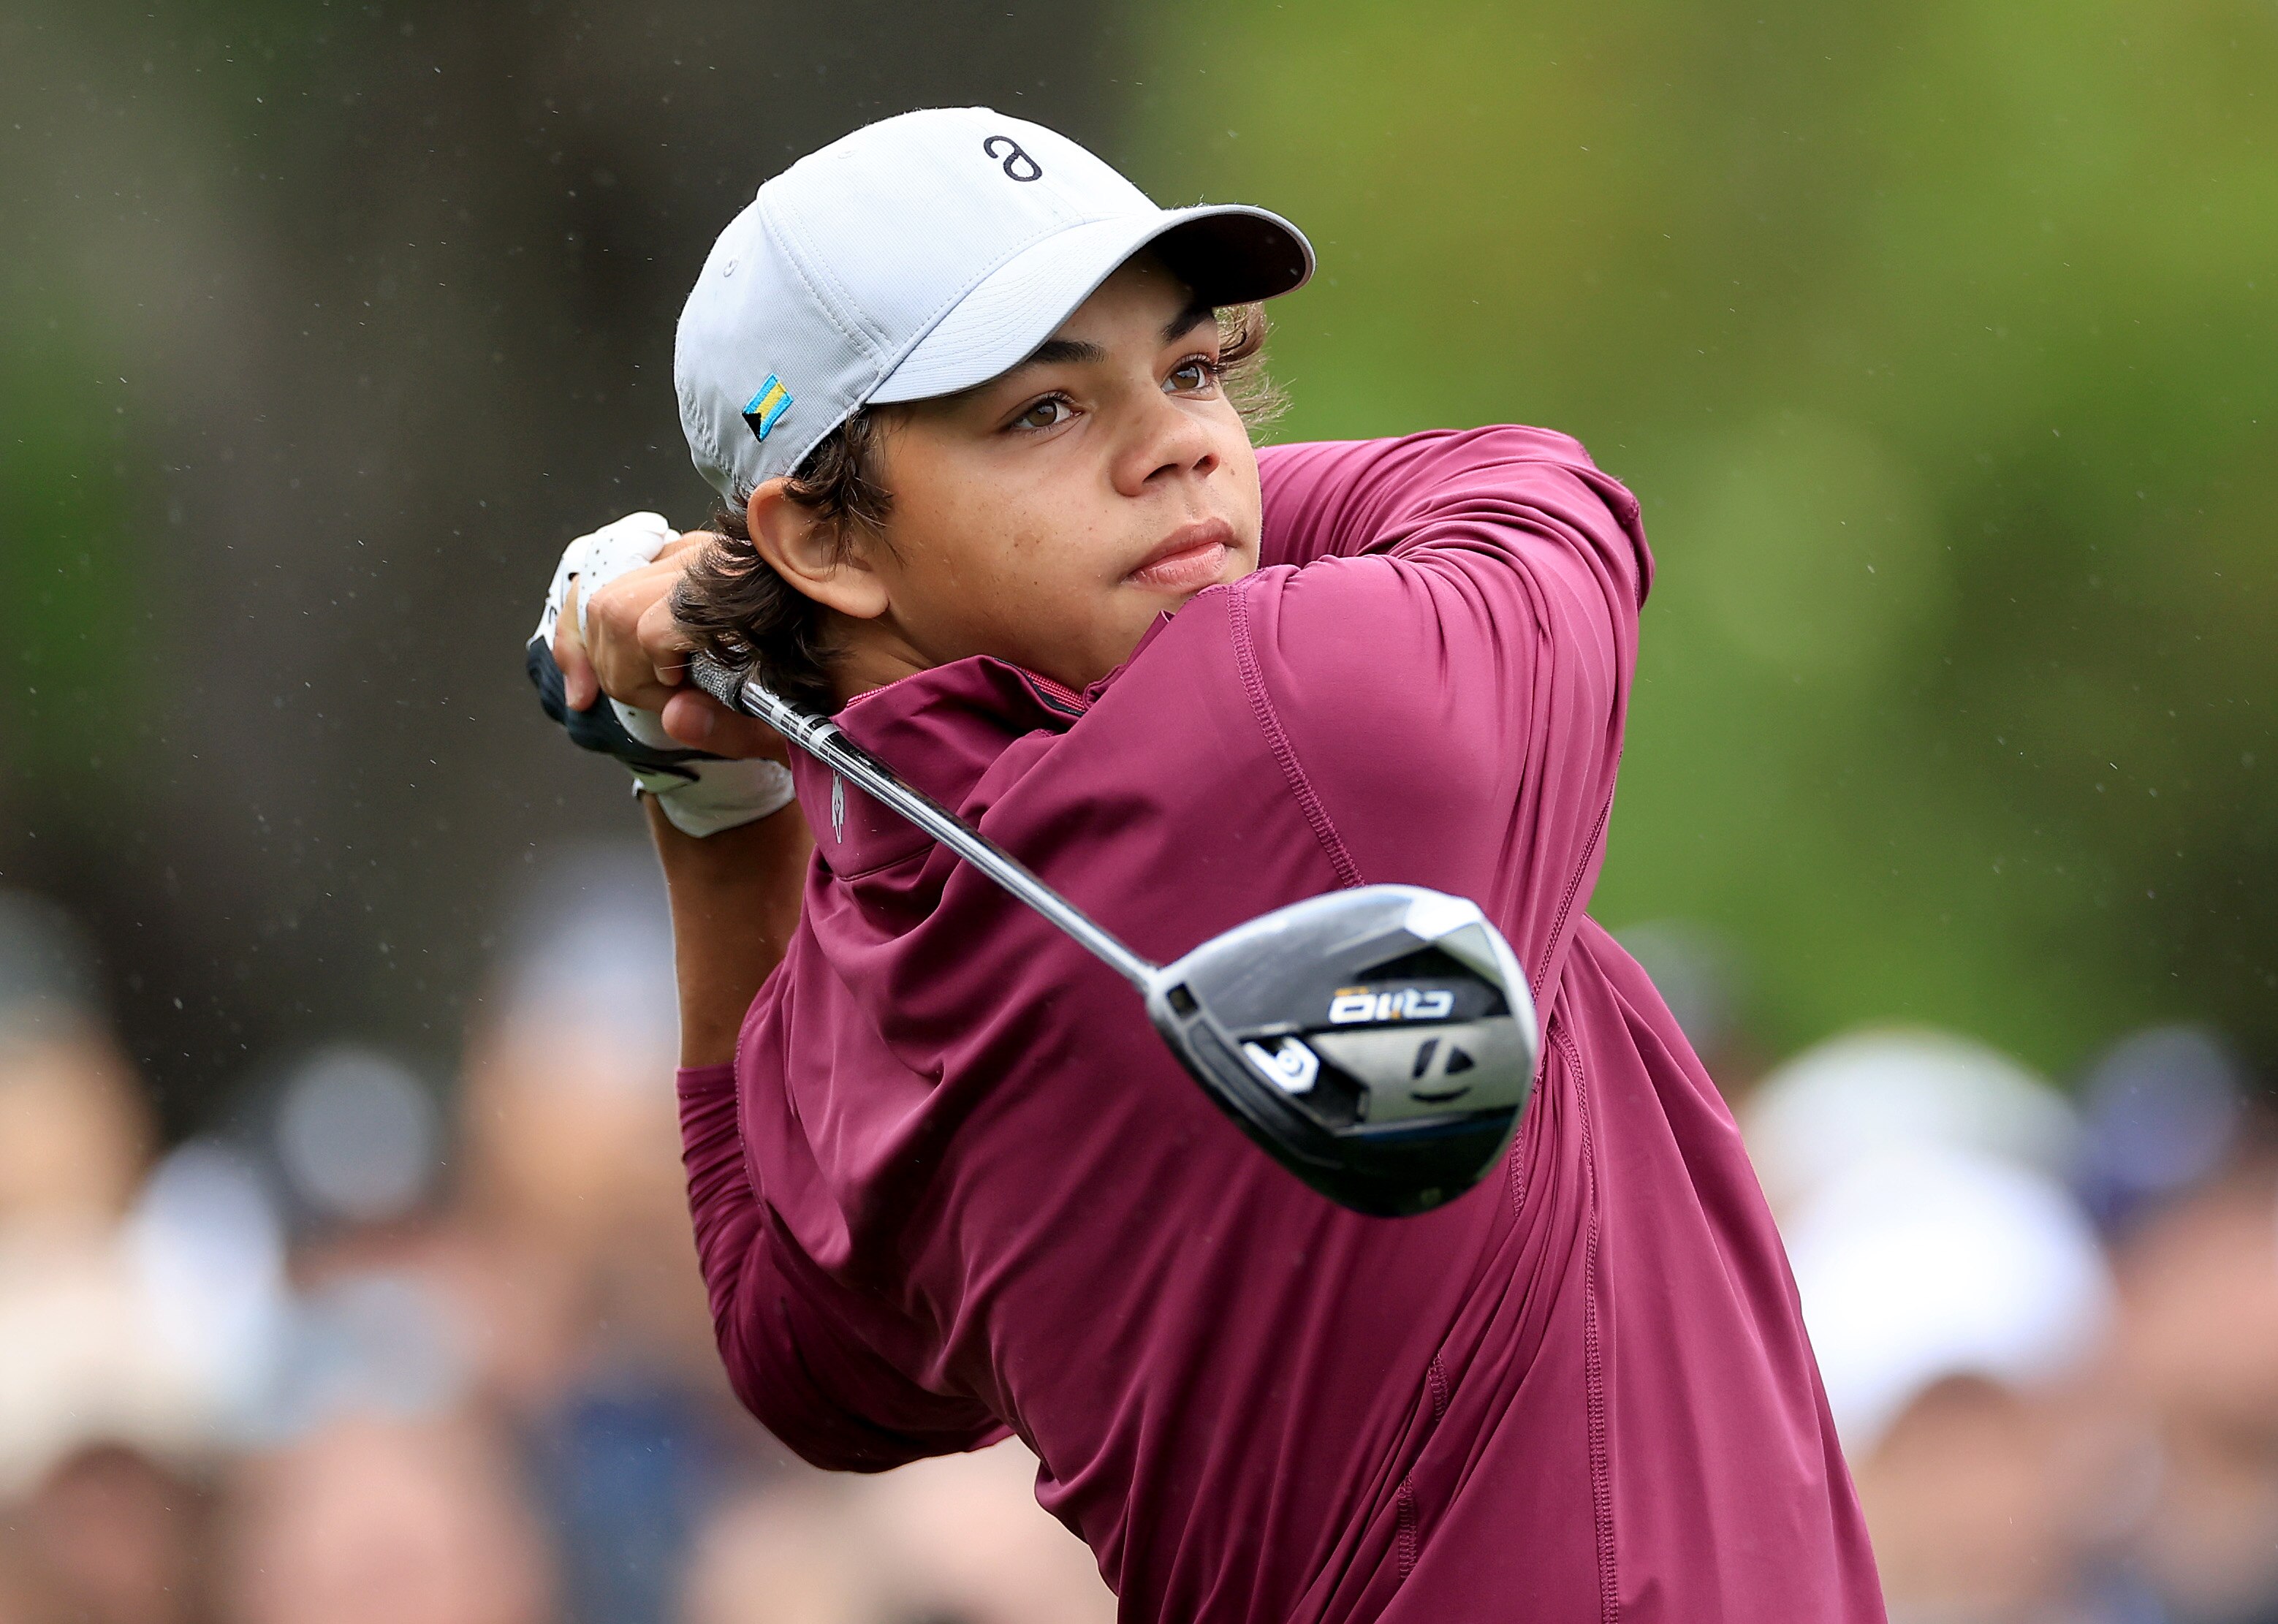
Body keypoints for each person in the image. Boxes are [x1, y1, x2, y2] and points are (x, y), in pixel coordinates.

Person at [531, 108, 1883, 1622]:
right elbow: (1535, 494)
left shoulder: (860, 979)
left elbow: (804, 1362)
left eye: (1188, 375)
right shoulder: (1293, 719)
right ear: (825, 541)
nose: (1184, 441)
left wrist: (713, 801)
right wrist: (744, 621)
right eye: (1044, 411)